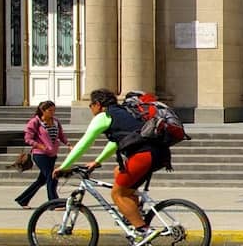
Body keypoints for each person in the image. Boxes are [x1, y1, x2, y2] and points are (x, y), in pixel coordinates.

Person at [55, 90, 170, 238]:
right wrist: (98, 161)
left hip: (143, 155)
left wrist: (64, 166)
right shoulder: (124, 112)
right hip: (160, 153)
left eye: (91, 105)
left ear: (97, 104)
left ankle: (143, 230)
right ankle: (133, 214)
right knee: (118, 173)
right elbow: (115, 143)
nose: (90, 108)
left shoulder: (104, 116)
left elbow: (84, 144)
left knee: (117, 194)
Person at [15, 101, 66, 208]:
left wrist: (69, 144)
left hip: (52, 154)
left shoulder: (56, 121)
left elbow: (61, 135)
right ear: (43, 110)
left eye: (54, 110)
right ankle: (54, 203)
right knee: (52, 177)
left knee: (41, 180)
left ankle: (22, 200)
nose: (53, 112)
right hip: (40, 154)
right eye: (50, 110)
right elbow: (28, 139)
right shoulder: (35, 122)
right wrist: (39, 145)